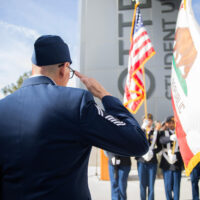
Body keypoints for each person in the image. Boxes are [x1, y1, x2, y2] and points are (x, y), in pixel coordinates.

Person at [0, 35, 149, 200]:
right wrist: (104, 95)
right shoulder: (75, 102)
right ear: (64, 68)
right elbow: (137, 142)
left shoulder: (3, 107)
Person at [136, 113, 162, 200]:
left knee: (151, 185)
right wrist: (142, 128)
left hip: (152, 161)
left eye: (150, 120)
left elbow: (160, 147)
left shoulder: (155, 132)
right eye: (146, 119)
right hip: (141, 161)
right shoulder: (140, 131)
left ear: (152, 121)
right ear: (143, 121)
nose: (148, 121)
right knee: (142, 185)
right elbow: (135, 142)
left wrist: (152, 151)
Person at [159, 116, 184, 200]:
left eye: (173, 123)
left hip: (177, 161)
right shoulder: (163, 132)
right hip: (167, 162)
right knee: (168, 186)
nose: (171, 124)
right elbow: (161, 140)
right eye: (169, 123)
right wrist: (170, 138)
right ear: (166, 124)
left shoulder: (180, 132)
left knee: (176, 186)